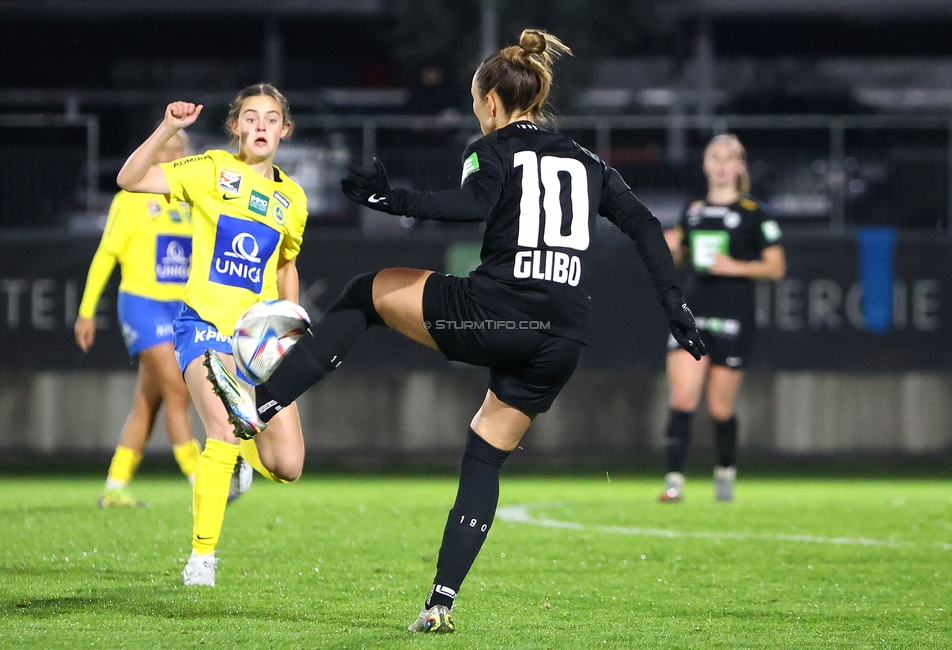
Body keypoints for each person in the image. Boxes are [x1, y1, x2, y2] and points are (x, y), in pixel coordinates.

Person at [204, 30, 704, 631]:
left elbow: (474, 205)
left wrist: (391, 200)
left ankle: (259, 406)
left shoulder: (489, 148)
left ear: (491, 102)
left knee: (366, 292)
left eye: (474, 100)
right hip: (565, 335)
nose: (474, 109)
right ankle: (440, 601)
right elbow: (647, 223)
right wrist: (673, 304)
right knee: (485, 456)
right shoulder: (587, 159)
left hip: (496, 312)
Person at [116, 83, 309, 587]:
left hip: (258, 344)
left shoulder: (293, 198)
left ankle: (239, 470)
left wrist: (290, 319)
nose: (261, 126)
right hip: (203, 328)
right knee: (222, 430)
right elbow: (129, 178)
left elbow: (287, 263)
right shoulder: (208, 170)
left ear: (285, 130)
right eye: (251, 117)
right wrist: (168, 129)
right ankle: (201, 559)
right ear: (236, 127)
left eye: (271, 118)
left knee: (288, 464)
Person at [657, 134, 786, 503]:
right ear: (705, 165)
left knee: (719, 408)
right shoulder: (693, 210)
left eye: (730, 157)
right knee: (682, 398)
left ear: (740, 166)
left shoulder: (754, 213)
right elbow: (684, 259)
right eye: (715, 156)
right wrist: (673, 249)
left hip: (734, 315)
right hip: (694, 313)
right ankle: (674, 481)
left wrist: (736, 266)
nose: (722, 163)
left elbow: (776, 267)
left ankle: (725, 470)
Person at [76, 131, 202, 507]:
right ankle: (202, 479)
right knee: (179, 391)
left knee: (149, 402)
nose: (173, 154)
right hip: (142, 305)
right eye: (166, 147)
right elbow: (105, 255)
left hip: (180, 309)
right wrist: (86, 311)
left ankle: (115, 486)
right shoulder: (130, 199)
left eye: (179, 149)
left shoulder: (194, 200)